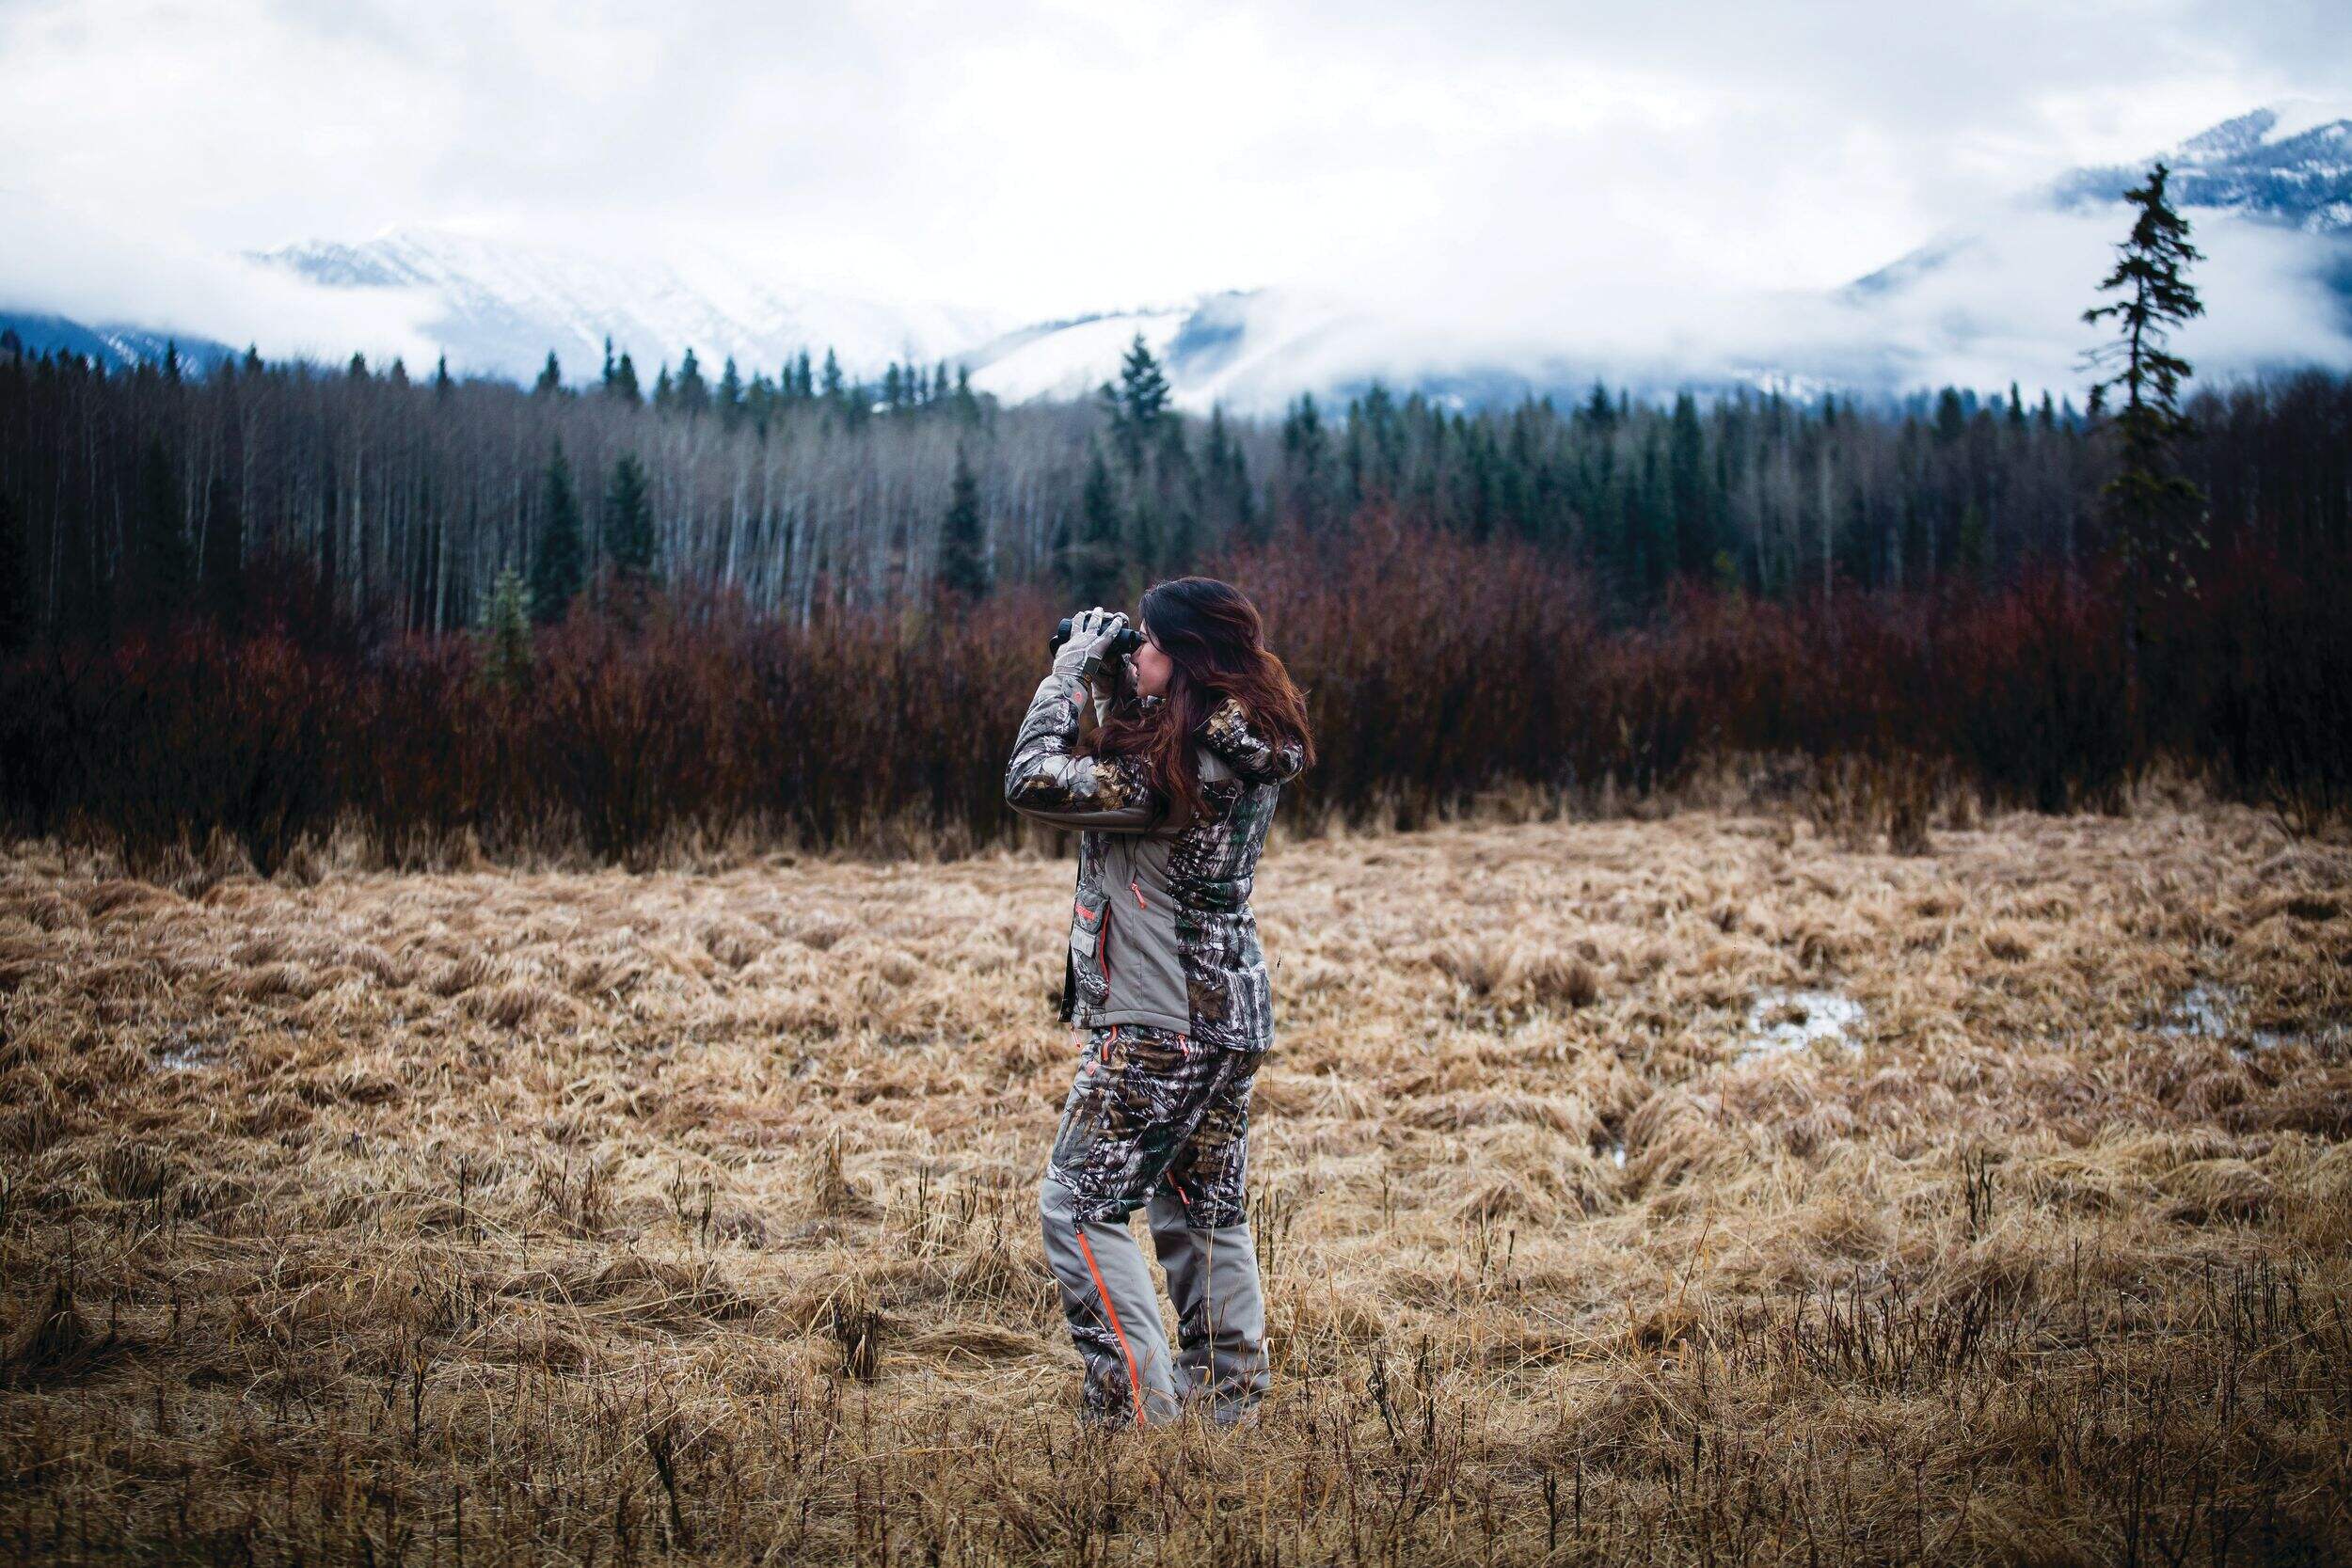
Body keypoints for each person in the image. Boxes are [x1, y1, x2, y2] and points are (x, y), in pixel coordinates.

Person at [1003, 578, 1314, 1428]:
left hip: (1157, 1023)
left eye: (1147, 641)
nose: (1134, 649)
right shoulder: (1237, 743)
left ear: (1185, 661)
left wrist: (1070, 671)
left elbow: (1033, 778)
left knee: (1079, 1203)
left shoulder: (1167, 774)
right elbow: (1143, 755)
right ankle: (1227, 1405)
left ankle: (1135, 1410)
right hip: (1227, 1017)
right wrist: (1121, 683)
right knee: (1203, 1209)